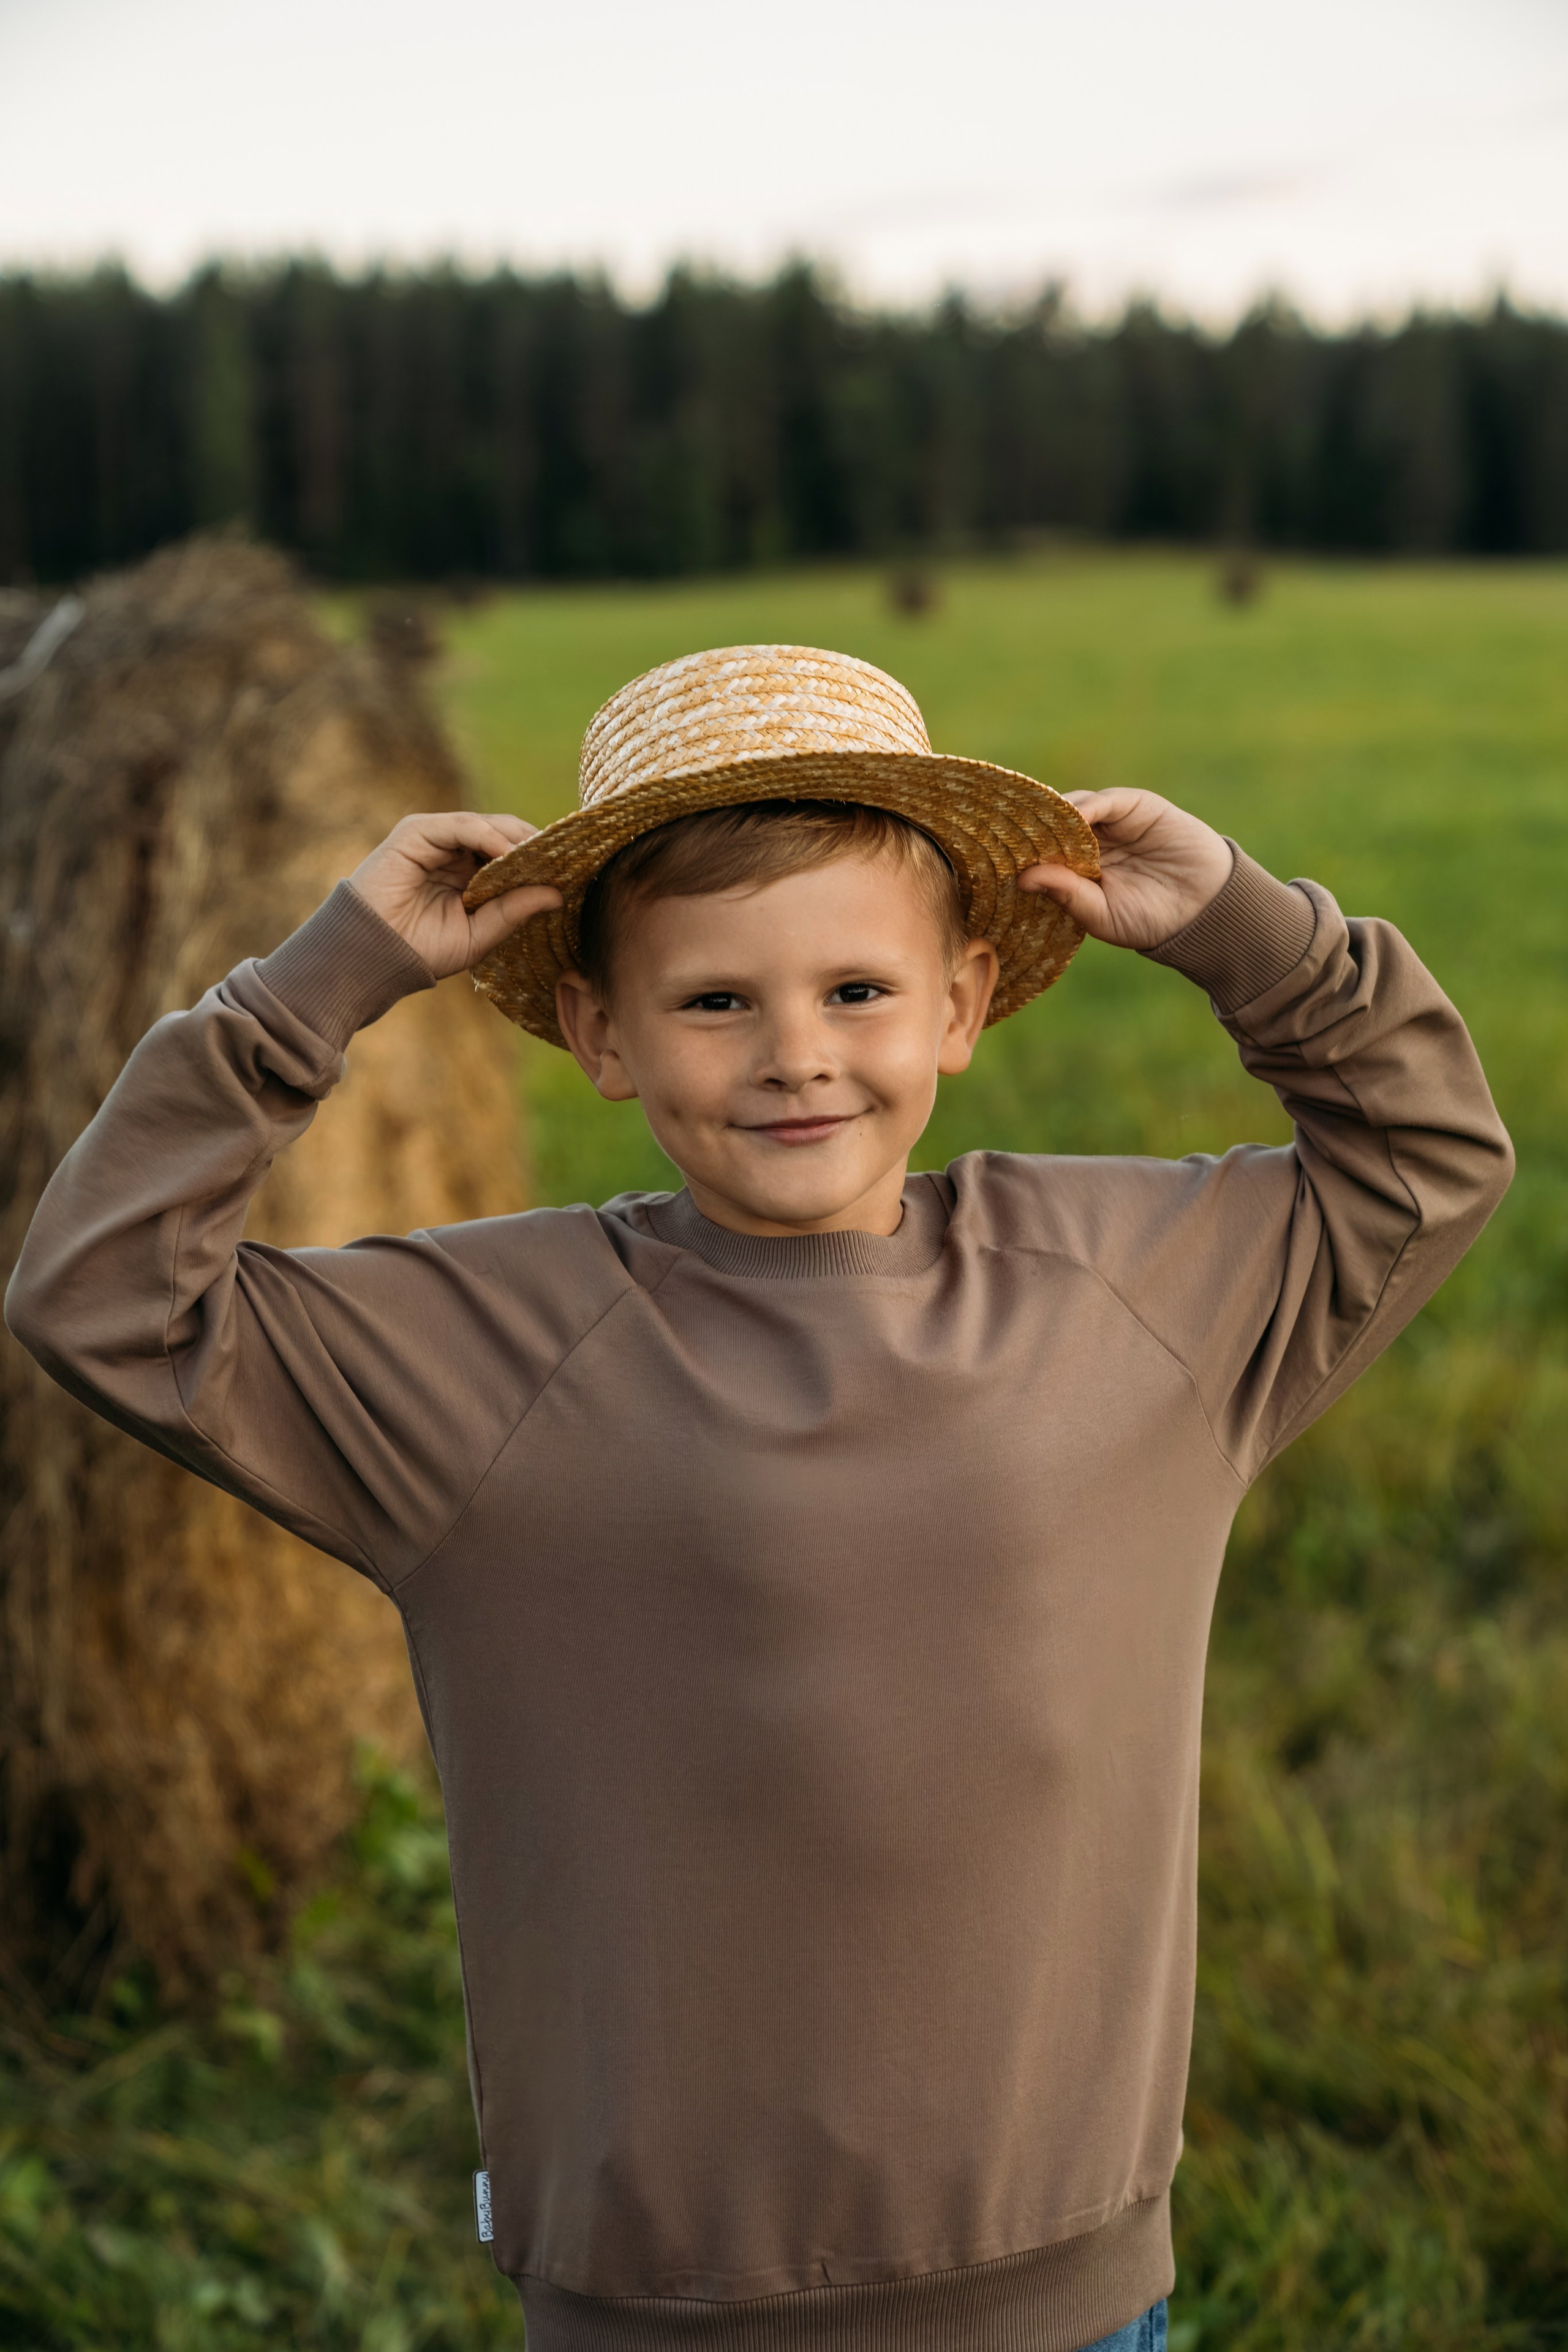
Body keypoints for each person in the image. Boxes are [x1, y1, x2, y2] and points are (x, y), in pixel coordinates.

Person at [6, 643, 1512, 2352]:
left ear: (961, 1004)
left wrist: (1251, 925)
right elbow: (107, 1295)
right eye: (716, 1002)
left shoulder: (1134, 1290)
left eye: (858, 993)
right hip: (664, 2306)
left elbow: (1425, 1153)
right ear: (602, 1036)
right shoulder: (485, 1355)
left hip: (1069, 2296)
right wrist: (314, 991)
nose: (797, 1054)